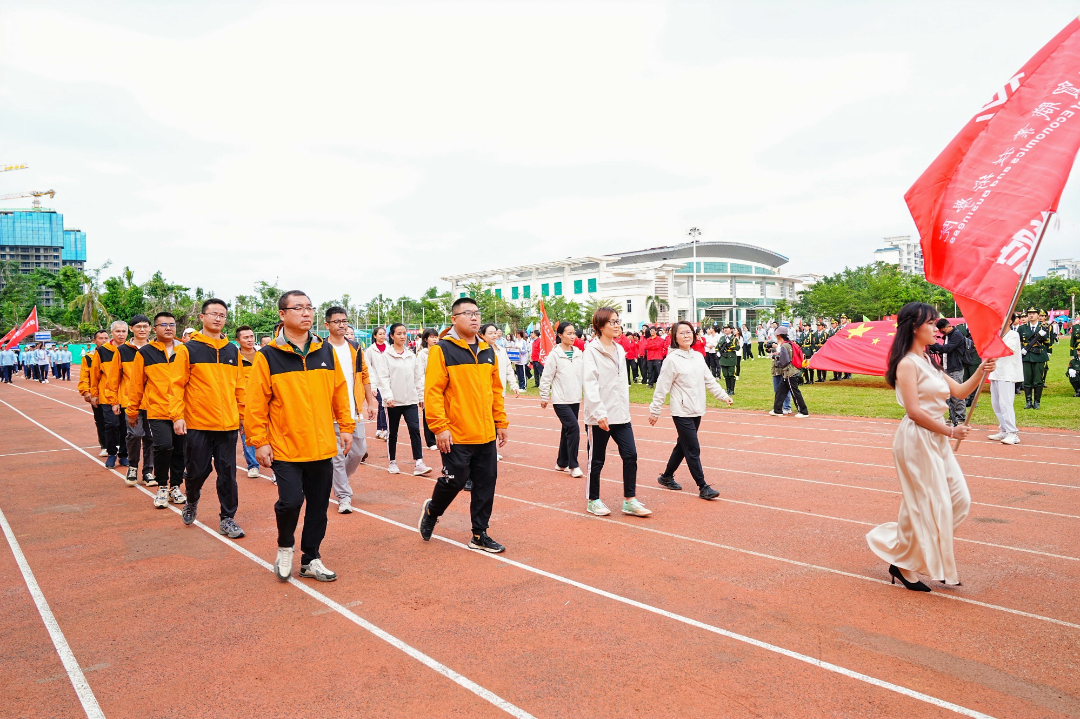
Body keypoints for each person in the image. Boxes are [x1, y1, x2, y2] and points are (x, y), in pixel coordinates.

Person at [866, 302, 994, 591]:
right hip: (917, 440)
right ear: (914, 326)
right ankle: (905, 564)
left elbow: (960, 391)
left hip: (936, 438)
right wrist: (951, 430)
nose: (937, 328)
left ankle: (913, 555)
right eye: (931, 323)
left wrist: (982, 371)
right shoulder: (907, 364)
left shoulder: (928, 360)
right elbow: (914, 411)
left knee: (958, 500)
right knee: (924, 505)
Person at [247, 290, 355, 583]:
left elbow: (339, 391)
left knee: (319, 508)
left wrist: (347, 426)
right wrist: (260, 441)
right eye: (298, 308)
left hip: (321, 444)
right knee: (291, 501)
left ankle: (311, 559)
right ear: (282, 315)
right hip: (285, 446)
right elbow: (256, 402)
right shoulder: (267, 356)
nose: (306, 313)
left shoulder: (325, 351)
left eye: (309, 308)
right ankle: (285, 546)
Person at [418, 297, 509, 553]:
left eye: (477, 313)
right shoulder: (443, 350)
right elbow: (433, 392)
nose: (474, 318)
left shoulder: (488, 350)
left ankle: (479, 534)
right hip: (456, 433)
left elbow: (495, 390)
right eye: (467, 313)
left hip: (485, 432)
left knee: (485, 482)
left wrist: (500, 421)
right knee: (455, 480)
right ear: (454, 318)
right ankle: (432, 510)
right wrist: (439, 427)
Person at [170, 298, 245, 539]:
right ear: (202, 318)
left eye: (222, 315)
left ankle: (227, 518)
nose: (218, 318)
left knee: (227, 472)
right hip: (198, 423)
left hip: (228, 424)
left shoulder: (233, 350)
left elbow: (240, 387)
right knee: (196, 471)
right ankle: (192, 498)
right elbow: (176, 385)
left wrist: (242, 416)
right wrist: (177, 416)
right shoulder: (188, 349)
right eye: (213, 314)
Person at [649, 321, 732, 499]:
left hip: (697, 408)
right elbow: (662, 387)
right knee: (692, 448)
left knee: (683, 445)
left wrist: (723, 396)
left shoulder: (697, 356)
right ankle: (703, 487)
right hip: (681, 411)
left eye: (689, 332)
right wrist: (655, 410)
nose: (687, 335)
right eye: (682, 333)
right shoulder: (671, 360)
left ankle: (666, 476)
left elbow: (709, 380)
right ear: (675, 338)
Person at [581, 307, 651, 518]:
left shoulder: (619, 349)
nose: (617, 325)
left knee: (631, 455)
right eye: (612, 322)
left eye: (618, 321)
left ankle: (629, 500)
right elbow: (590, 385)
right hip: (599, 417)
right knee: (597, 460)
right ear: (600, 326)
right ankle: (593, 500)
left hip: (621, 415)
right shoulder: (591, 351)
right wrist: (599, 413)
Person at [125, 312, 187, 507]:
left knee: (180, 450)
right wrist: (132, 411)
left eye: (172, 324)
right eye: (163, 325)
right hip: (158, 410)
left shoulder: (186, 350)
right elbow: (136, 385)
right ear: (155, 329)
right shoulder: (145, 353)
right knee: (163, 447)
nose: (169, 328)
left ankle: (175, 486)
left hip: (183, 412)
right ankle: (162, 486)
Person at [325, 308, 376, 513]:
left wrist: (370, 402)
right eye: (336, 321)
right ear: (327, 325)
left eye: (344, 321)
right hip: (331, 412)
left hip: (354, 410)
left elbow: (364, 375)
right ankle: (344, 495)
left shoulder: (355, 347)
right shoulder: (321, 348)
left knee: (358, 451)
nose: (341, 325)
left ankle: (338, 481)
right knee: (337, 456)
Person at [107, 314, 156, 486]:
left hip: (153, 402)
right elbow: (113, 377)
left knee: (151, 437)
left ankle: (148, 471)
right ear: (132, 329)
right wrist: (114, 401)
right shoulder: (122, 351)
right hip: (131, 402)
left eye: (145, 326)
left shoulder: (156, 349)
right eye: (138, 327)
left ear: (150, 328)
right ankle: (133, 466)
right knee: (134, 435)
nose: (142, 330)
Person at [380, 322, 431, 476]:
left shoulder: (411, 355)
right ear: (392, 336)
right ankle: (392, 461)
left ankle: (419, 462)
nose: (403, 336)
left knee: (415, 430)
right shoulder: (386, 356)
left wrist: (420, 396)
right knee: (393, 432)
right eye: (399, 333)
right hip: (394, 402)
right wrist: (388, 396)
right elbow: (383, 378)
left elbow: (417, 377)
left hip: (410, 400)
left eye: (404, 333)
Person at [539, 321, 584, 478]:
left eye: (574, 333)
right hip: (560, 400)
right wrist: (544, 396)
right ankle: (573, 465)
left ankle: (561, 462)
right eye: (569, 333)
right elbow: (546, 377)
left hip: (575, 398)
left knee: (567, 430)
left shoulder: (579, 353)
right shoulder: (554, 355)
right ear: (560, 335)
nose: (573, 336)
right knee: (574, 428)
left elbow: (584, 376)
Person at [96, 322, 130, 468]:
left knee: (125, 426)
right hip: (107, 396)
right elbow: (95, 374)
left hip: (127, 396)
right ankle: (111, 453)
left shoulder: (131, 349)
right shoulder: (103, 351)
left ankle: (123, 454)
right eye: (118, 331)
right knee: (111, 425)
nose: (121, 334)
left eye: (123, 331)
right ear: (112, 332)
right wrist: (93, 393)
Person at [235, 325, 263, 479]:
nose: (250, 339)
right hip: (244, 403)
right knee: (247, 434)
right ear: (238, 341)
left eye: (251, 336)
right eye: (246, 337)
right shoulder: (235, 358)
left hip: (264, 402)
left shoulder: (263, 355)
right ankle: (253, 465)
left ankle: (274, 463)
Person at [988, 323, 1022, 445]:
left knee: (1005, 403)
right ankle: (1004, 429)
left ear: (1009, 321)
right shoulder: (997, 336)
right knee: (996, 404)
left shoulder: (1013, 335)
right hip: (995, 372)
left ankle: (1013, 433)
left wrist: (991, 356)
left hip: (1007, 373)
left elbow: (1007, 350)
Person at [79, 330, 110, 456]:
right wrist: (86, 392)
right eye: (101, 338)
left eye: (106, 338)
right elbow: (84, 375)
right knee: (100, 420)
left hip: (112, 393)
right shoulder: (88, 357)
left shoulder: (115, 353)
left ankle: (119, 445)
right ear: (94, 341)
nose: (104, 340)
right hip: (96, 393)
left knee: (116, 421)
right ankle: (104, 445)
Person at [768, 326, 809, 417]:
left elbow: (785, 360)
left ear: (779, 335)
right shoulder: (790, 343)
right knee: (780, 391)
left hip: (789, 372)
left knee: (795, 392)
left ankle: (803, 411)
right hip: (790, 371)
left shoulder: (784, 345)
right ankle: (777, 410)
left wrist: (777, 359)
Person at [1017, 307, 1050, 410]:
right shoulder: (1022, 328)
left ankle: (1037, 402)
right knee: (1027, 380)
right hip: (1026, 356)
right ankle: (1028, 401)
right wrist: (1022, 349)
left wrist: (1043, 335)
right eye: (1029, 313)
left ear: (1038, 315)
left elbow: (1048, 342)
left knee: (1038, 380)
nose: (1031, 315)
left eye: (1034, 313)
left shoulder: (1043, 327)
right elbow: (1018, 342)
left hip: (1039, 356)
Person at [416, 328, 440, 450]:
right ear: (426, 339)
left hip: (440, 388)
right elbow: (420, 374)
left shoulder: (440, 351)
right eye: (431, 337)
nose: (434, 339)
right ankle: (431, 441)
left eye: (436, 337)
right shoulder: (422, 354)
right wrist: (421, 393)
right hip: (428, 388)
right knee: (428, 414)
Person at [364, 326, 390, 439]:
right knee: (382, 403)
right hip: (377, 382)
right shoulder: (370, 350)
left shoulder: (390, 349)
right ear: (375, 336)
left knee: (383, 405)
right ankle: (384, 429)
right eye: (380, 334)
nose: (382, 336)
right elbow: (368, 368)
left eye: (384, 334)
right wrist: (373, 386)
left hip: (388, 382)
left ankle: (380, 429)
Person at [716, 325, 739, 396]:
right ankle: (728, 389)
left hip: (731, 358)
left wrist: (729, 344)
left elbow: (737, 347)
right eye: (724, 328)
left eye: (727, 328)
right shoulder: (722, 338)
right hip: (723, 358)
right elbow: (717, 346)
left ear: (731, 330)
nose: (725, 330)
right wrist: (717, 352)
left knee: (731, 375)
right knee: (726, 375)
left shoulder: (734, 338)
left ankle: (732, 390)